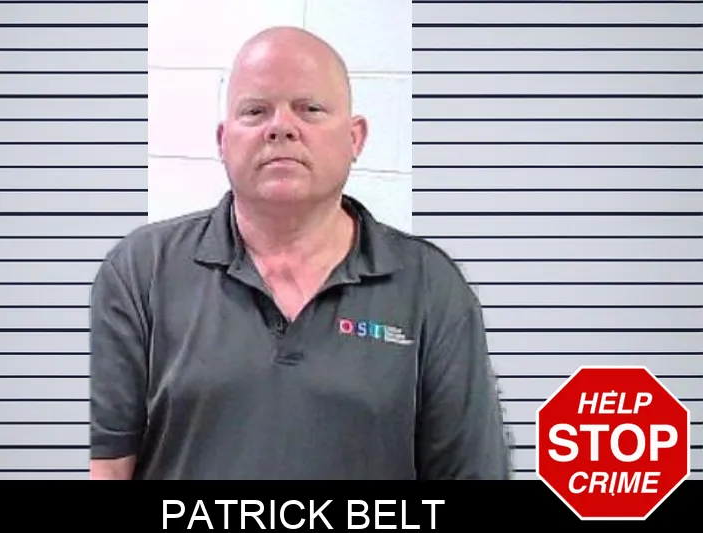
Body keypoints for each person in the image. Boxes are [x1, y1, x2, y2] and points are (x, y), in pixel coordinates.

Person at [89, 26, 511, 480]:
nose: (281, 127)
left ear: (355, 138)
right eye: (255, 111)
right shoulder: (141, 271)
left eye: (309, 109)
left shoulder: (430, 287)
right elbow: (105, 466)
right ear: (223, 140)